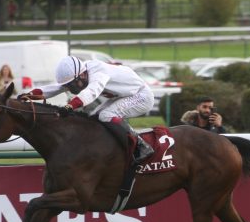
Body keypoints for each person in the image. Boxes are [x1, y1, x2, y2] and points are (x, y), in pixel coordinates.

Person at [21, 55, 155, 163]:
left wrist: (70, 106)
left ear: (83, 75)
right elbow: (55, 88)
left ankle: (141, 146)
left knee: (106, 115)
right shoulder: (79, 74)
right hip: (124, 95)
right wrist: (29, 95)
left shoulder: (98, 72)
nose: (71, 88)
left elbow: (91, 92)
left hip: (141, 95)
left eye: (72, 84)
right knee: (94, 118)